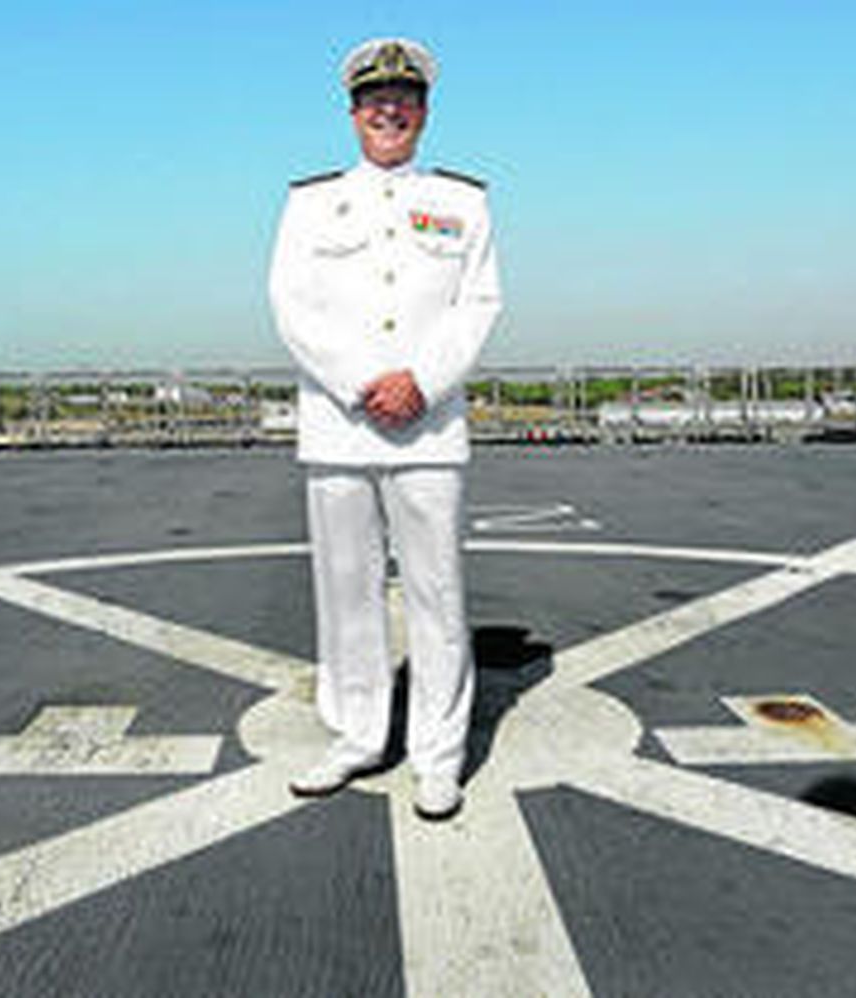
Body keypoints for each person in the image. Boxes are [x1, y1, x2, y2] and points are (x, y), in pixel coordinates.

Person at [268, 37, 502, 820]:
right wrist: (364, 381)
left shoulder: (465, 201)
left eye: (403, 100)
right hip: (339, 423)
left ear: (425, 111)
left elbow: (480, 304)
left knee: (438, 594)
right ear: (354, 113)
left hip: (429, 429)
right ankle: (358, 736)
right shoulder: (309, 202)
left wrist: (423, 382)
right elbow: (291, 306)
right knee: (347, 593)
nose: (389, 111)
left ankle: (439, 755)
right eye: (375, 102)